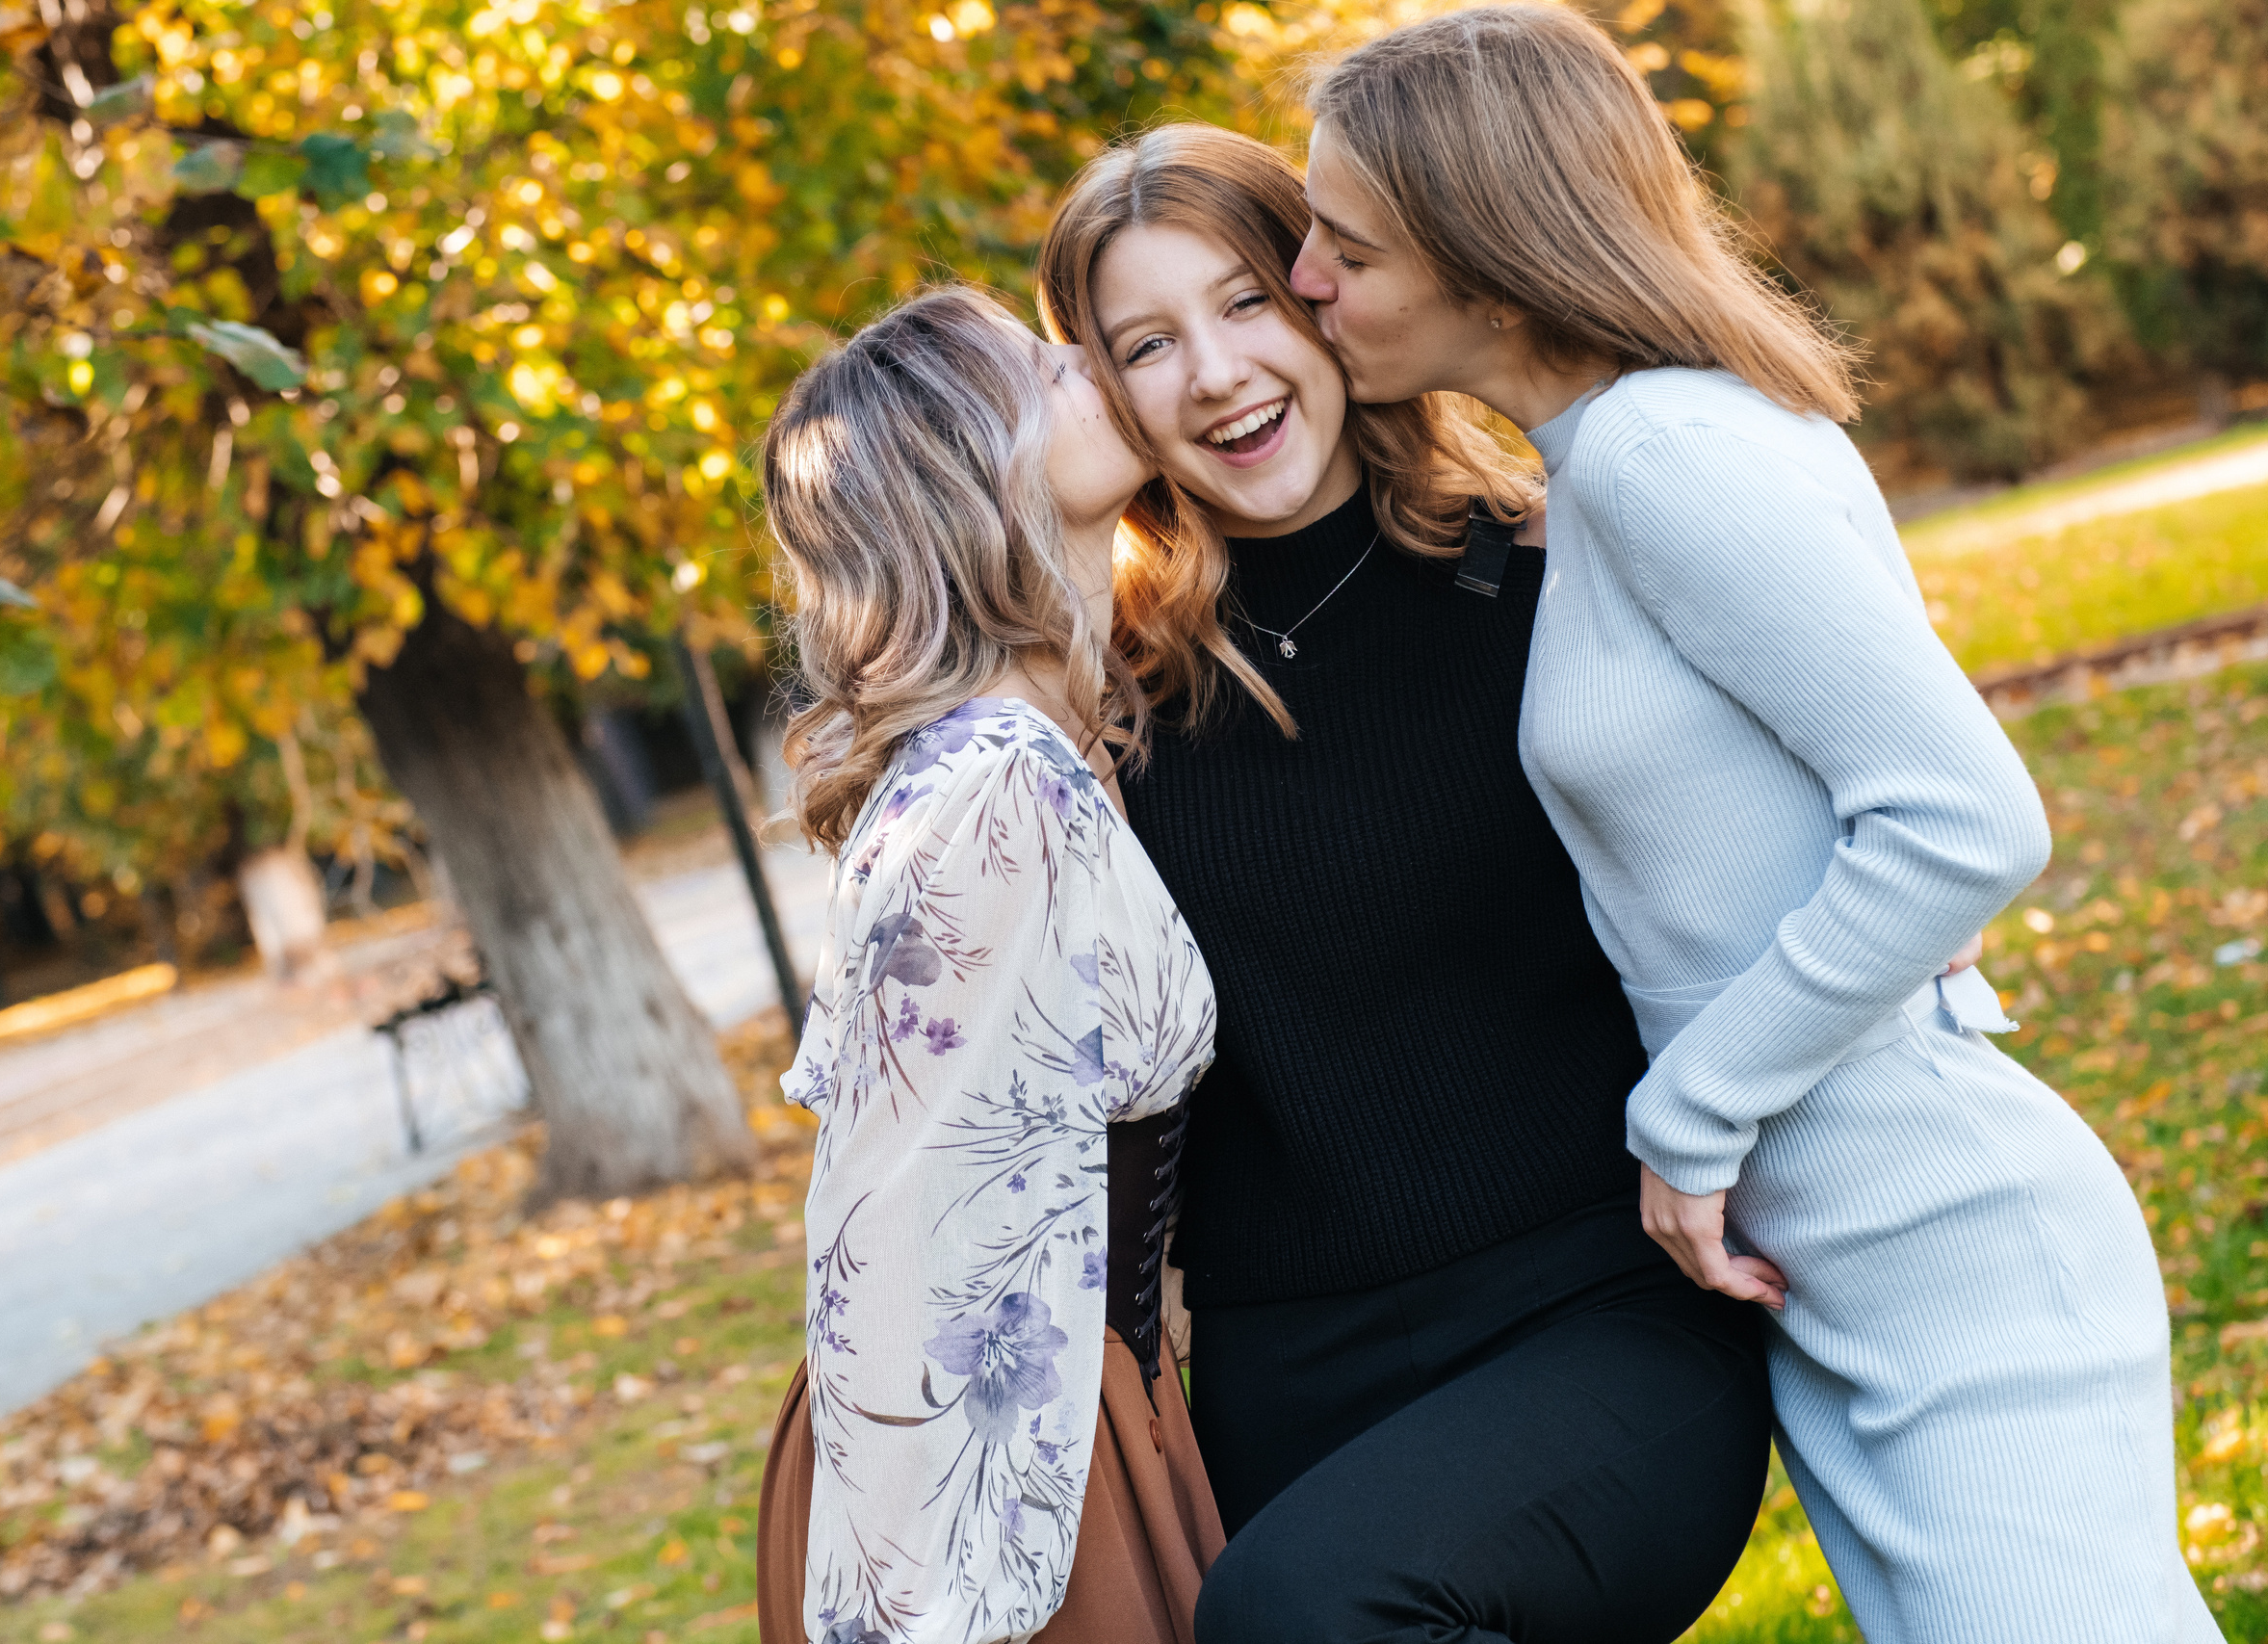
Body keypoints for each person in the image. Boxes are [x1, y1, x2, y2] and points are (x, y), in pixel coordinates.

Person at [1292, 10, 2221, 1641]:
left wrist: (1688, 1119)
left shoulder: (1667, 454)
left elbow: (1965, 822)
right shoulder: (1609, 465)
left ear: (1491, 262)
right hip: (1841, 1254)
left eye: (1347, 249)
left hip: (1941, 1235)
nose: (1305, 280)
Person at [1034, 123, 1778, 1644]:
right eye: (1146, 346)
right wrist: (1060, 528)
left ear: (1330, 293)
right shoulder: (1100, 708)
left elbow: (1838, 833)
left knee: (1306, 1611)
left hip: (1603, 1316)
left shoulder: (1556, 577)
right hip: (1282, 1375)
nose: (1216, 375)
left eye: (1246, 301)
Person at [752, 285, 1225, 1644]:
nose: (1089, 359)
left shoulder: (1054, 742)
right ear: (974, 469)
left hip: (1089, 1403)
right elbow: (894, 1225)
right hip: (984, 1462)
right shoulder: (991, 786)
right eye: (1040, 367)